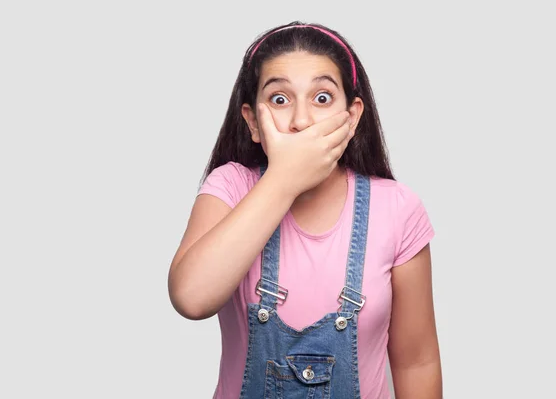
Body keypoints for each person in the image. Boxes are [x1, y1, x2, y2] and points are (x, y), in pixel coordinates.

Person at [168, 21, 442, 399]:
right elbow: (191, 297)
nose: (300, 121)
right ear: (252, 121)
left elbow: (417, 362)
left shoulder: (397, 209)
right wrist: (283, 179)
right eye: (280, 99)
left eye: (322, 98)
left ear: (352, 116)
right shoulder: (231, 187)